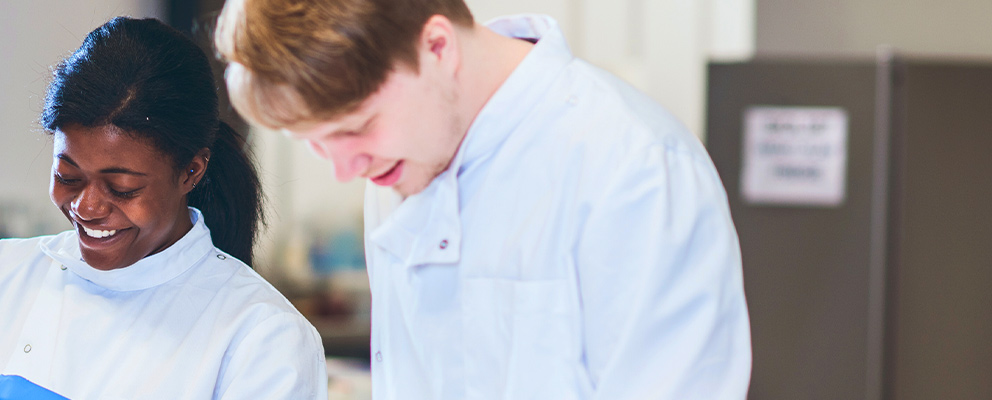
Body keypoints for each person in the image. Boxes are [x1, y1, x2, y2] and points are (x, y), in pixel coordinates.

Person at [214, 1, 751, 398]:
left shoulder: (631, 166)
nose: (345, 168)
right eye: (313, 141)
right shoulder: (399, 159)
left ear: (438, 48)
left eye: (359, 127)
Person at [0, 17, 326, 400]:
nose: (88, 206)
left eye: (121, 186)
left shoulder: (261, 334)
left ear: (191, 171)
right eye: (68, 176)